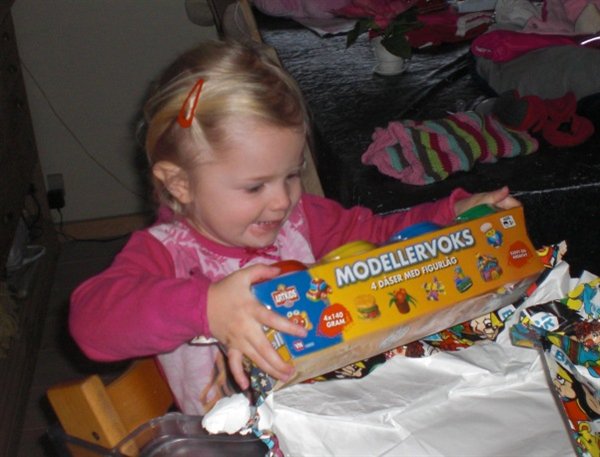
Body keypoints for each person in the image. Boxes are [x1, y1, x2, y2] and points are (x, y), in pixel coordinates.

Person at [69, 39, 521, 415]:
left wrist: (450, 216)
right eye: (255, 187)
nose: (283, 200)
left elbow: (380, 236)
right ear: (180, 184)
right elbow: (90, 324)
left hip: (332, 408)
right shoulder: (167, 252)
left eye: (291, 174)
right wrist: (206, 307)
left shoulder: (303, 219)